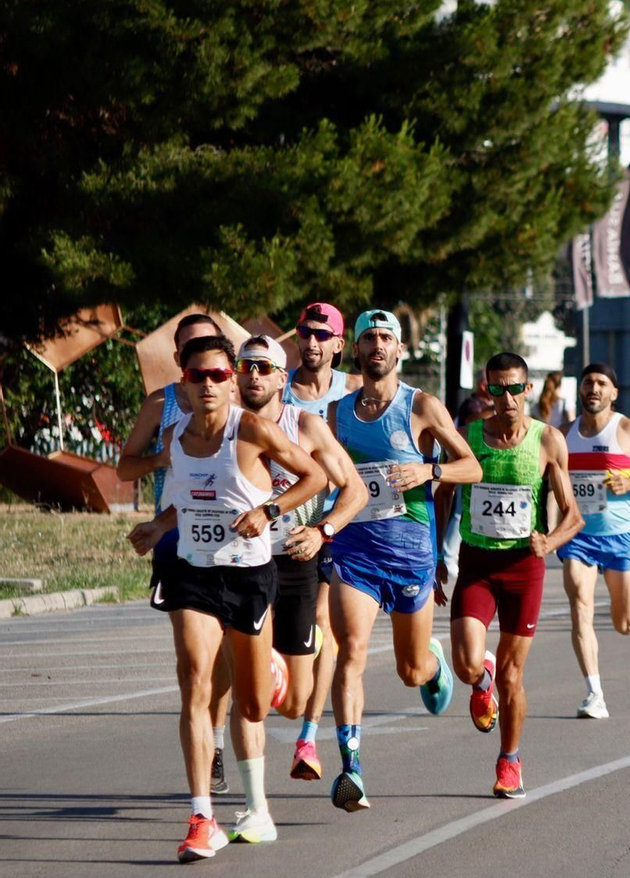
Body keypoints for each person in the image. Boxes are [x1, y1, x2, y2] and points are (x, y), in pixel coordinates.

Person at [126, 334, 327, 860]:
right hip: (195, 574)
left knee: (256, 703)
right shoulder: (174, 437)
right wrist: (159, 524)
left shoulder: (253, 429)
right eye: (200, 376)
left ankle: (274, 680)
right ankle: (202, 818)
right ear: (184, 383)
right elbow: (190, 497)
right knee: (195, 680)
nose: (211, 384)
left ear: (232, 378)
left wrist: (270, 511)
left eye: (220, 375)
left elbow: (315, 476)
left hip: (250, 576)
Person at [325, 309, 483, 813]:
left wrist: (427, 470)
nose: (376, 345)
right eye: (368, 337)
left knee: (410, 672)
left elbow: (471, 467)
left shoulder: (422, 407)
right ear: (356, 349)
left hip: (411, 552)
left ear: (399, 351)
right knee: (349, 650)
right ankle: (352, 768)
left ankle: (434, 665)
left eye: (385, 338)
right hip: (354, 551)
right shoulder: (338, 413)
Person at [434, 352, 584, 798]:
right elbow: (443, 495)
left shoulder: (548, 440)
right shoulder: (469, 436)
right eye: (497, 389)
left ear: (528, 390)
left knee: (514, 676)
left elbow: (573, 515)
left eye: (514, 388)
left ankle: (510, 761)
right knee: (465, 663)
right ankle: (481, 683)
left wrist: (550, 541)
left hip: (523, 569)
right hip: (477, 564)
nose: (507, 398)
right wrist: (437, 554)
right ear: (487, 390)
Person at [232, 336, 364, 790]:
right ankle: (242, 793)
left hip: (295, 561)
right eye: (246, 366)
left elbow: (355, 490)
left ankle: (284, 659)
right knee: (229, 686)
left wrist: (322, 531)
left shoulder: (305, 426)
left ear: (281, 378)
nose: (254, 375)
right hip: (240, 566)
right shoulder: (223, 427)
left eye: (264, 368)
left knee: (294, 703)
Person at [117, 312, 237, 796]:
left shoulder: (233, 397)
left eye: (212, 357)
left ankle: (219, 739)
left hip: (233, 536)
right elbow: (125, 468)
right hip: (176, 535)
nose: (203, 372)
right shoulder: (160, 403)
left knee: (227, 650)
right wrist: (160, 459)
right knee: (194, 657)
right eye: (192, 356)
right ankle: (203, 747)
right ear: (178, 361)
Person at [561, 363, 630, 720]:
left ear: (613, 392)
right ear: (580, 390)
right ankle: (594, 693)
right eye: (588, 383)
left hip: (619, 536)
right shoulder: (564, 434)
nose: (593, 388)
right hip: (578, 537)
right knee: (580, 602)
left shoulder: (627, 430)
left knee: (625, 623)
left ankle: (618, 603)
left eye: (601, 383)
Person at [284, 302, 360, 420]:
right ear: (298, 338)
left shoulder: (353, 391)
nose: (311, 343)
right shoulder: (277, 387)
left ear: (338, 345)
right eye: (305, 332)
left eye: (322, 335)